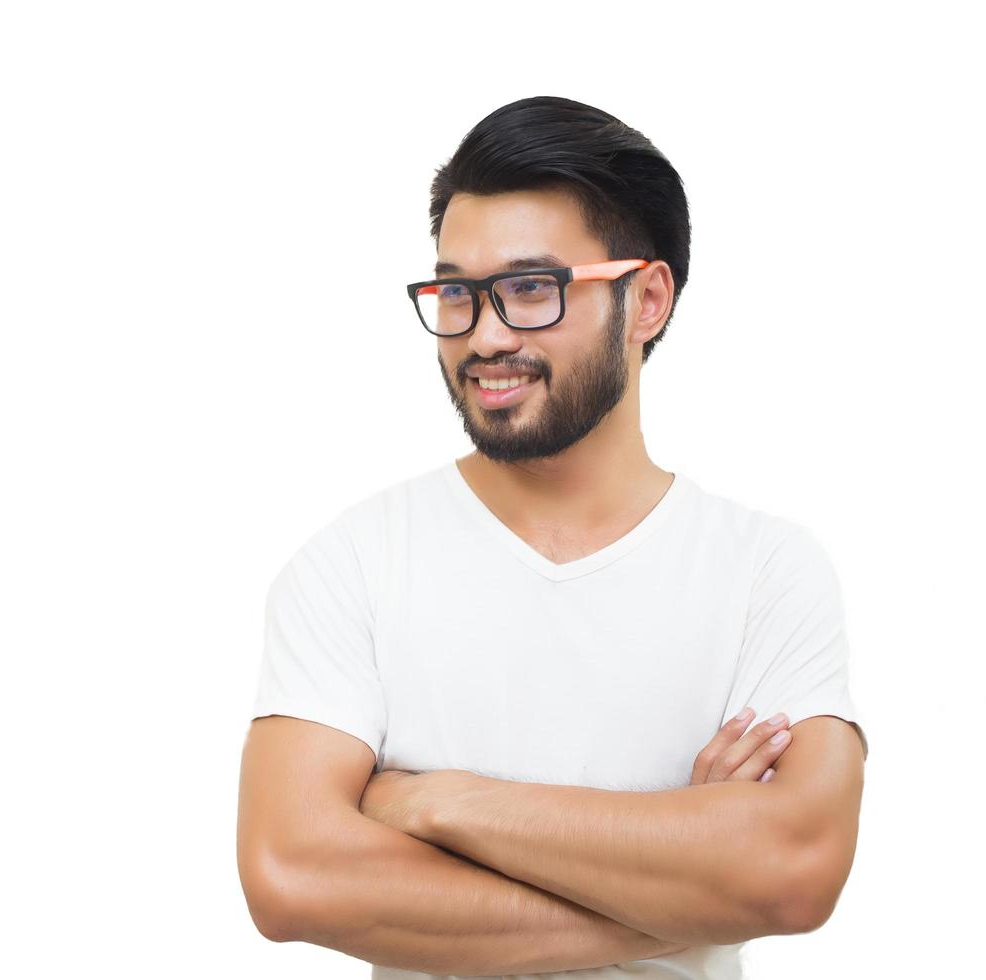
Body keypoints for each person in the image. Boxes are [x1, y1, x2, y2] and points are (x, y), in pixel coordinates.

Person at [236, 96, 868, 980]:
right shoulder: (354, 564)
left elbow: (793, 871)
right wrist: (684, 880)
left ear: (646, 299)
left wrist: (436, 803)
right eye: (457, 291)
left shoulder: (766, 570)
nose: (485, 335)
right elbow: (292, 875)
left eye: (531, 289)